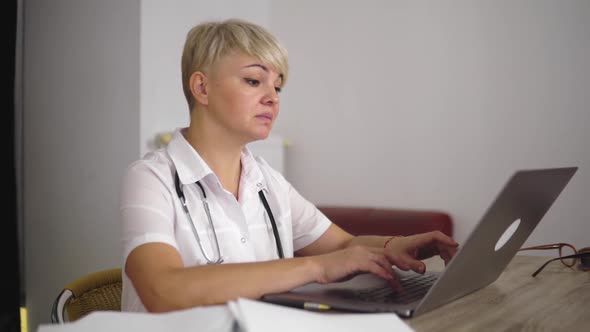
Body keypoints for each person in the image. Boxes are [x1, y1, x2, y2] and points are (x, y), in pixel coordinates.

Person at [120, 18, 459, 313]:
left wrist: (393, 246)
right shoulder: (152, 178)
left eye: (278, 85)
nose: (273, 97)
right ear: (202, 87)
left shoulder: (266, 180)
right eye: (254, 81)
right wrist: (316, 268)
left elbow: (341, 246)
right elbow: (162, 291)